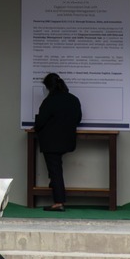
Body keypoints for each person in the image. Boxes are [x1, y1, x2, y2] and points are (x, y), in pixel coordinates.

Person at [32, 72, 83, 210]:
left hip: (50, 142)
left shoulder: (49, 101)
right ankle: (54, 185)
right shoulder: (73, 99)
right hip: (68, 140)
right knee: (55, 170)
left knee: (55, 171)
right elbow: (78, 119)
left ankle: (59, 202)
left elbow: (40, 122)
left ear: (49, 87)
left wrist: (37, 127)